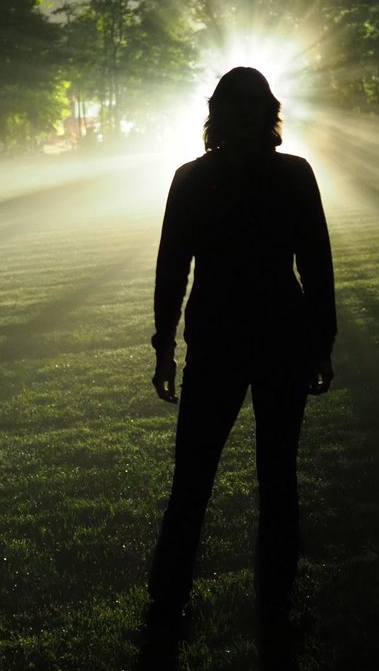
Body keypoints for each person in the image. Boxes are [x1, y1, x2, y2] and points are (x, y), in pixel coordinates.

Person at [145, 66, 337, 653]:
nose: (253, 111)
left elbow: (317, 262)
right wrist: (163, 342)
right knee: (194, 474)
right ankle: (172, 592)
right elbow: (171, 267)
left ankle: (270, 595)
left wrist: (321, 341)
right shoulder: (194, 180)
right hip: (222, 342)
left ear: (269, 109)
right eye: (242, 102)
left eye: (260, 102)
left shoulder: (293, 175)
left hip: (278, 337)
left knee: (276, 474)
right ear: (222, 111)